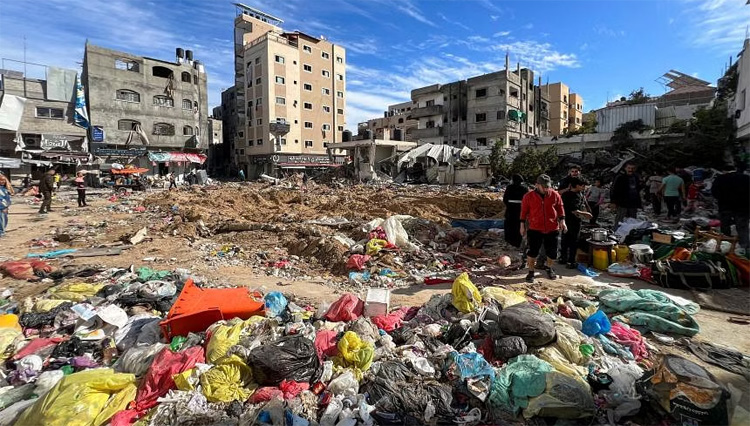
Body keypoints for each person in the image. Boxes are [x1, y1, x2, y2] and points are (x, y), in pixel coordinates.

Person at [520, 174, 566, 282]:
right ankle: (531, 272)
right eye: (544, 186)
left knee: (552, 252)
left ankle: (549, 268)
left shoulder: (554, 195)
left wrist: (562, 221)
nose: (546, 189)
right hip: (535, 228)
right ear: (537, 185)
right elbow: (524, 212)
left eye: (548, 186)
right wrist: (522, 225)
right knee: (533, 251)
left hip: (552, 227)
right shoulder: (528, 196)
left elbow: (560, 208)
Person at [712, 163, 750, 252]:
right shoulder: (746, 178)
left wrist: (722, 198)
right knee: (742, 227)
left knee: (725, 226)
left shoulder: (720, 178)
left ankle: (726, 246)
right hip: (743, 208)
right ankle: (745, 247)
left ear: (724, 171)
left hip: (725, 207)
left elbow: (714, 192)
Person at [561, 178, 592, 269]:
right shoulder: (570, 195)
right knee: (573, 241)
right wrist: (586, 214)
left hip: (566, 220)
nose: (584, 187)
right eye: (582, 185)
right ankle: (571, 261)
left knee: (565, 240)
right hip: (572, 220)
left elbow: (584, 203)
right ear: (577, 185)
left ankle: (563, 258)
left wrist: (588, 210)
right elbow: (574, 210)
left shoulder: (579, 194)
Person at [610, 161, 642, 227]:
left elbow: (637, 190)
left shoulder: (636, 177)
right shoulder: (620, 177)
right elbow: (614, 189)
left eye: (632, 168)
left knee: (632, 220)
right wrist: (613, 202)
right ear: (625, 168)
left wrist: (639, 203)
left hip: (633, 203)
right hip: (622, 202)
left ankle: (630, 232)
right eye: (629, 168)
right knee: (620, 219)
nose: (630, 170)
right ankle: (616, 231)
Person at [503, 174, 528, 248]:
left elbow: (505, 199)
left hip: (510, 210)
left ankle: (509, 241)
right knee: (518, 225)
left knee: (510, 225)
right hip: (520, 210)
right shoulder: (524, 188)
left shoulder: (509, 187)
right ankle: (517, 242)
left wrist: (509, 205)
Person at [0, 173, 12, 237]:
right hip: (1, 207)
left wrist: (7, 205)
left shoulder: (4, 189)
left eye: (4, 180)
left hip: (5, 207)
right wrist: (3, 207)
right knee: (1, 220)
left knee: (5, 220)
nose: (3, 181)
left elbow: (7, 198)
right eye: (1, 180)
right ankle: (1, 232)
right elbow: (1, 199)